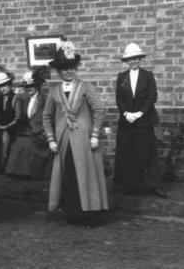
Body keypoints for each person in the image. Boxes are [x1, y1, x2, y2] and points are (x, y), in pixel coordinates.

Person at [42, 37, 108, 227]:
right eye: (65, 68)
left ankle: (91, 215)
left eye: (72, 67)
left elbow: (99, 109)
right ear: (59, 71)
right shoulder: (54, 90)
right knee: (69, 176)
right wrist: (51, 140)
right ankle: (72, 214)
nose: (69, 71)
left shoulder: (85, 86)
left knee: (86, 176)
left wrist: (95, 134)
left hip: (85, 141)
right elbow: (47, 116)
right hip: (63, 141)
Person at [114, 43, 168, 198]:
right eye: (129, 59)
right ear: (126, 61)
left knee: (148, 152)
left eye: (135, 58)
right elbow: (119, 98)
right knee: (128, 151)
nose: (133, 61)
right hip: (127, 122)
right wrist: (126, 113)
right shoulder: (121, 77)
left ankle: (153, 186)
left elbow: (152, 96)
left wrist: (139, 113)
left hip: (143, 121)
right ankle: (129, 186)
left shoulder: (147, 75)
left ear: (140, 59)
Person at [5, 69, 52, 181]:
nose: (29, 89)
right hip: (29, 131)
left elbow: (50, 118)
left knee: (27, 143)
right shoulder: (25, 100)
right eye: (26, 87)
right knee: (18, 142)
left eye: (32, 86)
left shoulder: (45, 100)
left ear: (38, 86)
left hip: (43, 133)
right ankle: (16, 172)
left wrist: (41, 131)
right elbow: (23, 119)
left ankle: (32, 173)